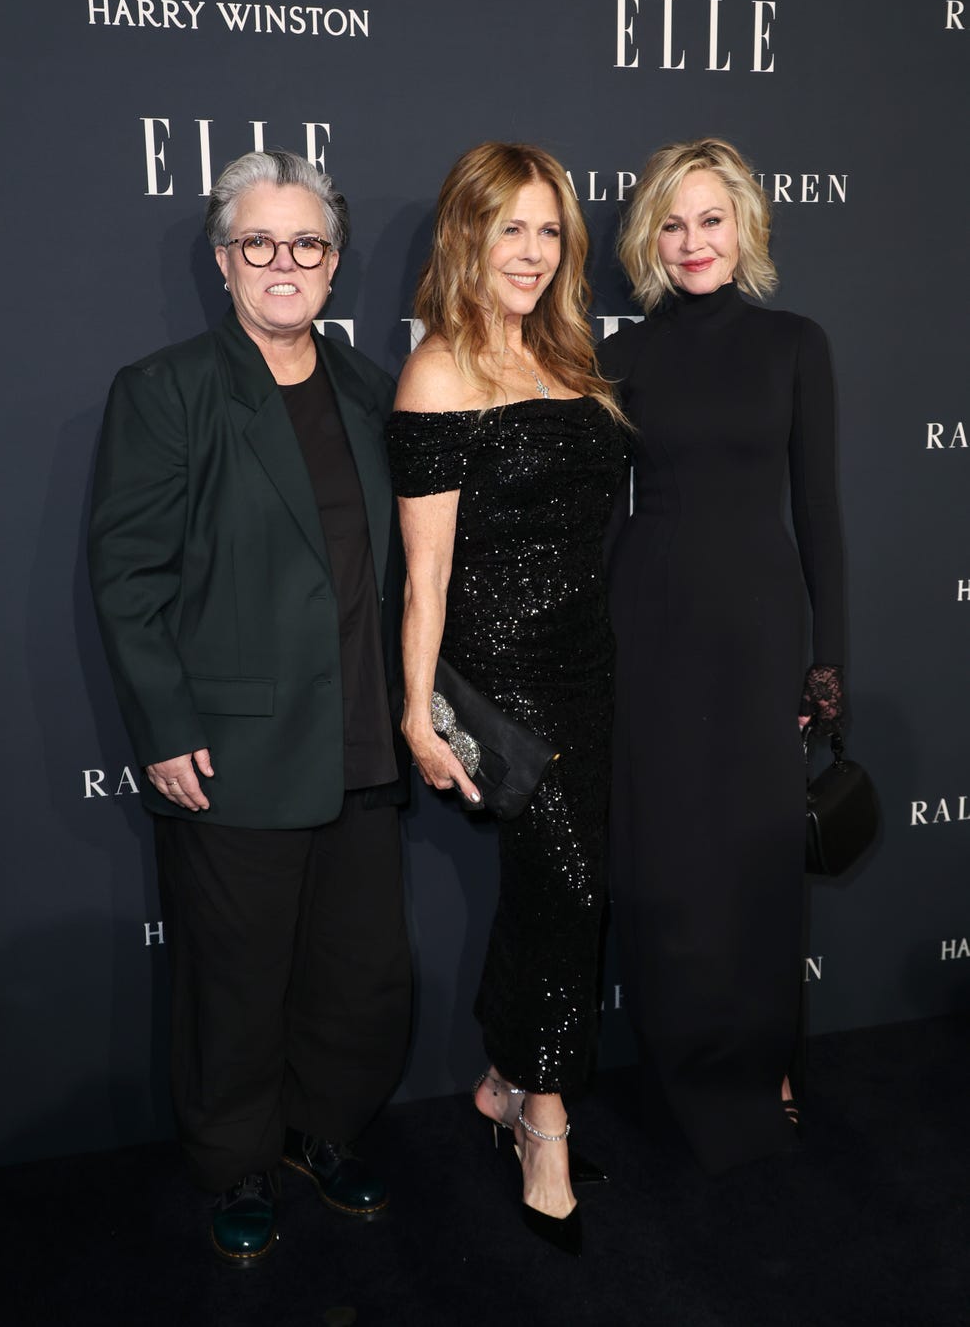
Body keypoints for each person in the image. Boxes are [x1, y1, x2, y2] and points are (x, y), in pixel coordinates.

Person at [88, 149, 412, 1264]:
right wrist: (166, 724)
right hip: (229, 750)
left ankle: (321, 1132)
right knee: (234, 981)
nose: (284, 264)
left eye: (307, 244)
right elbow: (128, 573)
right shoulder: (167, 388)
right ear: (223, 262)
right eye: (258, 243)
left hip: (362, 741)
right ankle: (234, 1161)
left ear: (334, 265)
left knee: (355, 970)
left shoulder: (374, 391)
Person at [386, 142, 627, 1255]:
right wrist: (413, 708)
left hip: (586, 666)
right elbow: (423, 572)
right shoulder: (436, 370)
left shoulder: (570, 356)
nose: (529, 251)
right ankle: (541, 1119)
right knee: (567, 888)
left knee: (563, 894)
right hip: (497, 681)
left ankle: (498, 1076)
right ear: (466, 237)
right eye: (509, 229)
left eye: (546, 231)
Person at [601, 137, 845, 1174]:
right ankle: (683, 1066)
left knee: (752, 861)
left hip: (756, 633)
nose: (691, 240)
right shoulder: (615, 354)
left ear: (744, 226)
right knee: (670, 863)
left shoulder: (795, 342)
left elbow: (818, 513)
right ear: (645, 237)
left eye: (710, 218)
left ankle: (762, 1059)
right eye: (671, 221)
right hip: (647, 628)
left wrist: (825, 661)